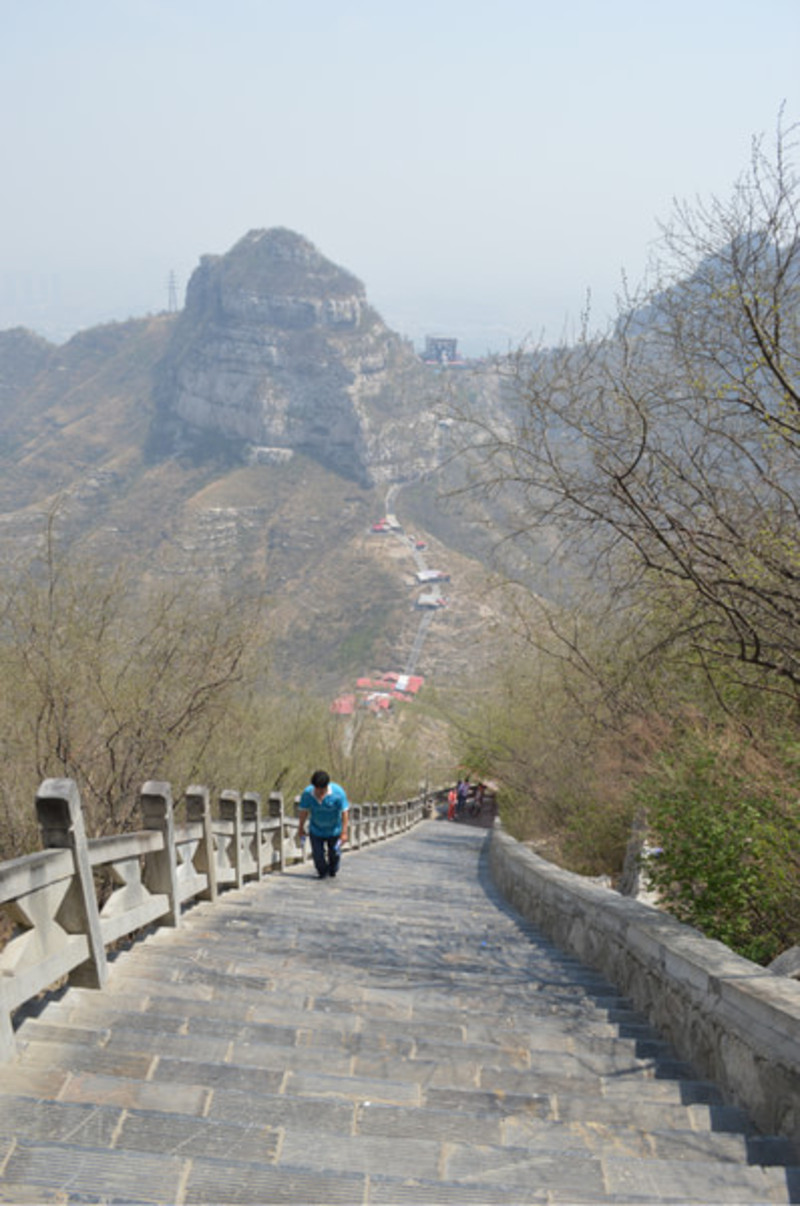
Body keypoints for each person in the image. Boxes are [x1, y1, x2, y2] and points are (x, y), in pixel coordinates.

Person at [297, 770, 350, 880]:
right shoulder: (307, 794)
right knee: (318, 857)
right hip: (316, 829)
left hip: (334, 830)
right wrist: (300, 828)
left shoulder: (338, 793)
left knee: (334, 855)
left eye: (323, 790)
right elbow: (303, 812)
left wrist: (344, 832)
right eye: (317, 789)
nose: (320, 793)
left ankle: (332, 869)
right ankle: (323, 872)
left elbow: (345, 812)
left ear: (327, 786)